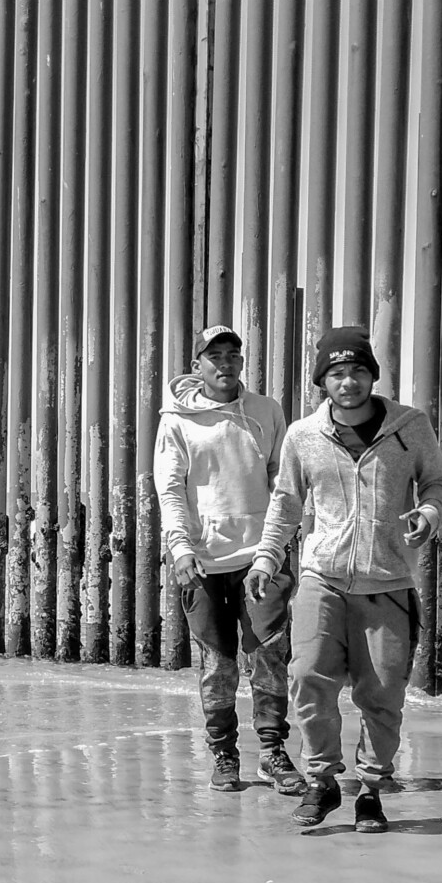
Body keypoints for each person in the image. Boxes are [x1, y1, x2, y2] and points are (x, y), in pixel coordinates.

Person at [245, 325, 442, 833]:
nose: (349, 381)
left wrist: (429, 512)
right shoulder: (302, 436)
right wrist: (266, 559)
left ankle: (372, 792)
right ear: (323, 381)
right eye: (337, 372)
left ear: (372, 375)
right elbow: (286, 504)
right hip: (324, 576)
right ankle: (322, 782)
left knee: (381, 694)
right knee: (307, 677)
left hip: (387, 581)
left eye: (358, 370)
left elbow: (438, 482)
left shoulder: (410, 425)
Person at [156, 325, 305, 795]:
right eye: (214, 356)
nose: (225, 363)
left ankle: (273, 751)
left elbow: (284, 482)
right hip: (200, 562)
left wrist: (273, 549)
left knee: (269, 656)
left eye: (233, 355)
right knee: (218, 664)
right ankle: (222, 752)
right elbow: (170, 489)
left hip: (262, 558)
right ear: (197, 365)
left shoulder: (265, 411)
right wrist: (180, 549)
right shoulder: (176, 420)